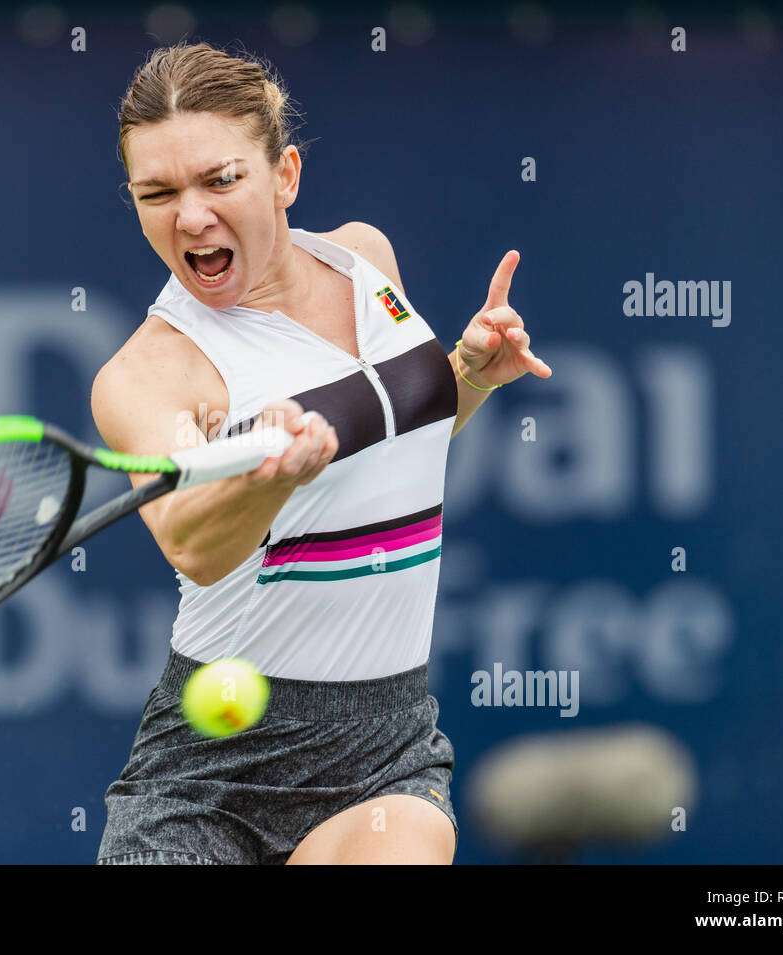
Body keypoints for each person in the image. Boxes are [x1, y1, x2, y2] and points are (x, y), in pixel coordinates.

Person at [91, 41, 552, 865]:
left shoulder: (364, 257)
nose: (189, 216)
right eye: (156, 193)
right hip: (207, 778)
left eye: (219, 180)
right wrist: (272, 479)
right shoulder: (149, 373)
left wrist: (467, 378)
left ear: (285, 175)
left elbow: (397, 450)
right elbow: (193, 544)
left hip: (387, 751)